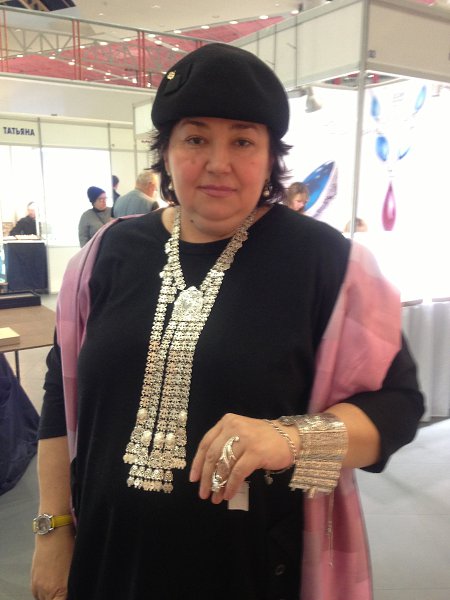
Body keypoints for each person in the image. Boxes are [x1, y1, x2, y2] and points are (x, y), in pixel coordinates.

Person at [31, 43, 423, 600]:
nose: (219, 162)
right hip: (108, 557)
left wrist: (290, 438)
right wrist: (52, 530)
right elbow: (61, 394)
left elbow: (398, 406)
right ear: (166, 151)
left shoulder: (327, 263)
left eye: (242, 140)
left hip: (252, 568)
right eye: (196, 139)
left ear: (270, 156)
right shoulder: (106, 255)